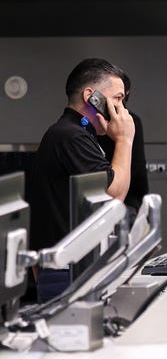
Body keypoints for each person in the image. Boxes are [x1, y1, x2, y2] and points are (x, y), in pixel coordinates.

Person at [29, 57, 136, 301]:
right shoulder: (71, 136)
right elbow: (113, 195)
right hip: (69, 270)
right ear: (92, 96)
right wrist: (125, 140)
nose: (123, 109)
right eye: (118, 98)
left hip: (72, 266)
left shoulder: (78, 133)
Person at [97, 72, 148, 211]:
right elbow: (138, 171)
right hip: (110, 201)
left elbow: (138, 170)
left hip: (123, 200)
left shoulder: (130, 121)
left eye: (121, 98)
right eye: (117, 97)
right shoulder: (90, 124)